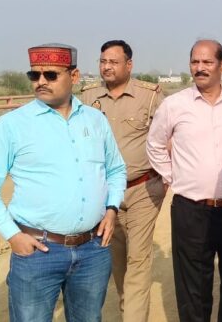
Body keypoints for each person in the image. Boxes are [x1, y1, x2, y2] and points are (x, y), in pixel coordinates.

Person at [0, 43, 126, 322]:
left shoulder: (95, 120)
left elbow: (115, 170)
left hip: (92, 250)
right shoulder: (13, 125)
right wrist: (13, 235)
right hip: (37, 252)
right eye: (35, 75)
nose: (41, 81)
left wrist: (112, 209)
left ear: (74, 76)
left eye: (51, 75)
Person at [147, 39, 222, 322]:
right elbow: (155, 145)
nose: (200, 68)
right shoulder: (174, 105)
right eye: (195, 62)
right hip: (191, 209)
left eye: (207, 62)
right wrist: (173, 176)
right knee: (193, 285)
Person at [79, 40, 165, 322]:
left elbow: (168, 137)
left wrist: (166, 177)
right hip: (104, 195)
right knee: (117, 262)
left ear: (129, 65)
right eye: (103, 61)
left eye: (113, 62)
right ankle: (129, 311)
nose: (107, 67)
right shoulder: (88, 97)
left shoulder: (149, 96)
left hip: (142, 190)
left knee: (138, 261)